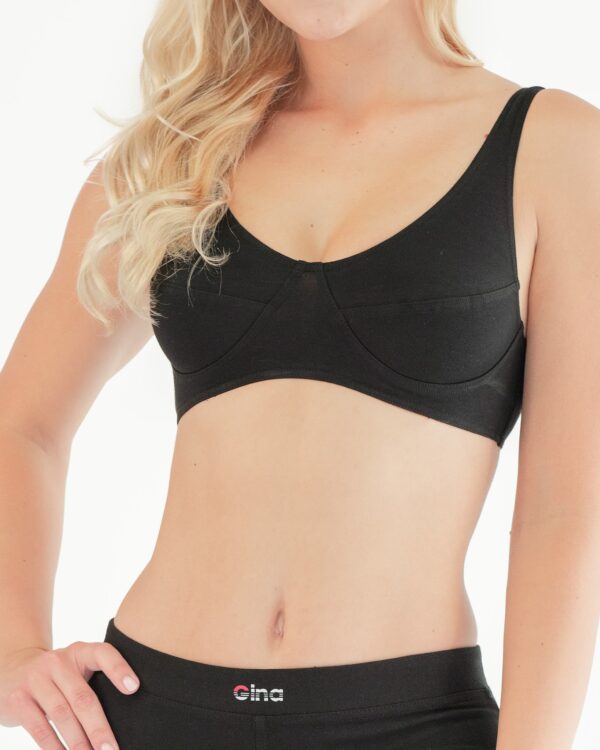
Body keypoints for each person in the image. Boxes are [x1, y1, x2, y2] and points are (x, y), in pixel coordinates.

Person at [1, 1, 599, 748]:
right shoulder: (173, 158)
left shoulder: (556, 149)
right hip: (150, 709)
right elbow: (22, 423)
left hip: (410, 723)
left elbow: (566, 509)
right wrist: (13, 648)